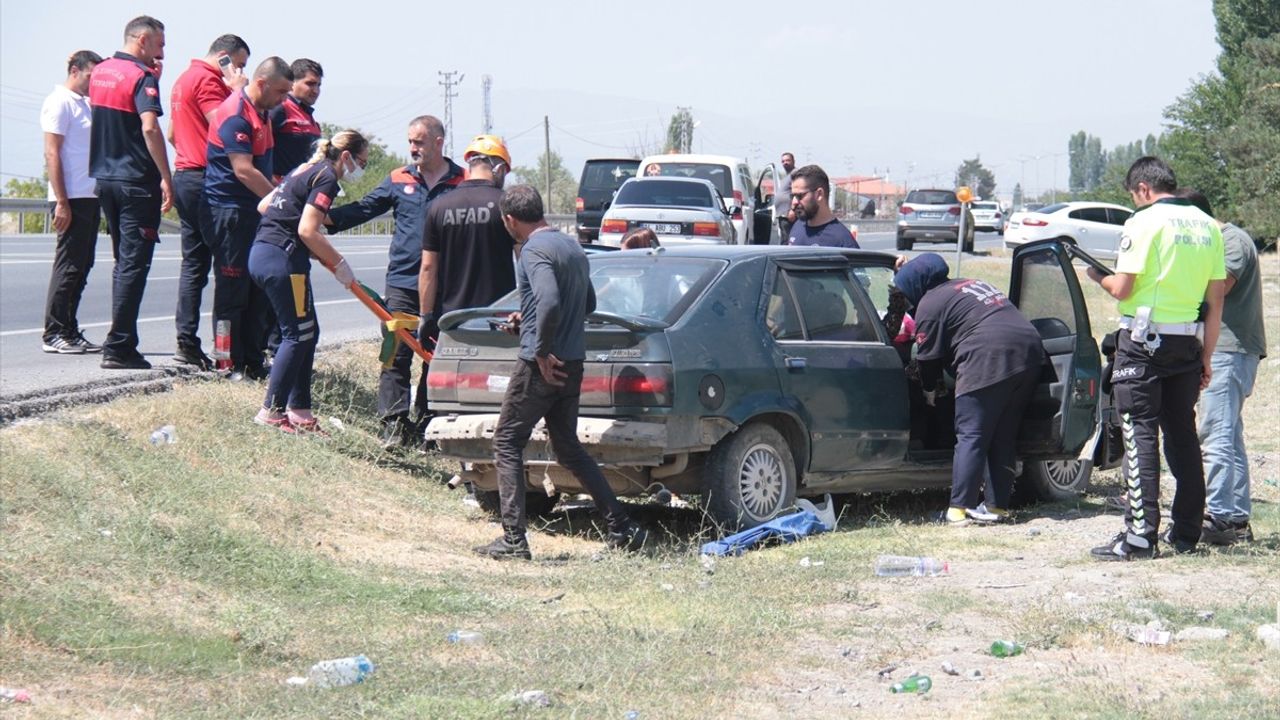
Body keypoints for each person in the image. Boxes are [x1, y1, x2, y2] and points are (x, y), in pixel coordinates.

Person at [475, 184, 647, 560]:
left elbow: (551, 300)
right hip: (572, 362)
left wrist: (539, 349)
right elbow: (586, 302)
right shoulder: (572, 246)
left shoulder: (532, 249)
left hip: (542, 367)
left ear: (510, 220)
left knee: (506, 441)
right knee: (568, 446)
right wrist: (529, 319)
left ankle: (514, 540)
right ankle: (621, 525)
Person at [1086, 157, 1225, 561]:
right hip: (1188, 343)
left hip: (1143, 342)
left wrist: (1099, 276)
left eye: (1134, 196)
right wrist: (1207, 358)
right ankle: (1185, 531)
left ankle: (1140, 536)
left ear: (1144, 189)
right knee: (1182, 435)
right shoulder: (1206, 226)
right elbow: (1215, 304)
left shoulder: (1143, 222)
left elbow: (1123, 289)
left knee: (1139, 433)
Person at [327, 115, 465, 445]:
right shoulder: (398, 178)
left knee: (439, 356)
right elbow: (364, 209)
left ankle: (430, 424)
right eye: (410, 142)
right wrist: (324, 219)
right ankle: (393, 424)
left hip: (448, 287)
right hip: (403, 283)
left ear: (438, 142)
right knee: (396, 354)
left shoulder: (463, 181)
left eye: (419, 141)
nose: (413, 148)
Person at [894, 253, 1046, 524]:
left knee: (971, 434)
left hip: (987, 357)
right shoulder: (970, 284)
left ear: (917, 285)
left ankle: (957, 510)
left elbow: (927, 361)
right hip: (1030, 352)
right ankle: (997, 507)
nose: (906, 298)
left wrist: (930, 392)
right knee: (1003, 433)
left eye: (906, 292)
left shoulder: (929, 303)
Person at [248, 130, 367, 432]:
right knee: (297, 334)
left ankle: (299, 411)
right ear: (345, 157)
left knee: (307, 332)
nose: (360, 170)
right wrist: (339, 263)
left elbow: (265, 206)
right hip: (284, 263)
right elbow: (307, 230)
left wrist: (309, 247)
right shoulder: (327, 176)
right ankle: (271, 412)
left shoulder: (303, 169)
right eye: (361, 162)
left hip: (264, 254)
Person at [1176, 189, 1266, 546]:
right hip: (1225, 349)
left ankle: (1219, 516)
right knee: (1228, 434)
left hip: (1230, 350)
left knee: (1216, 434)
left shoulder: (1232, 242)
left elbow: (1218, 289)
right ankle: (1236, 519)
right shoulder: (1217, 241)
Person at [88, 15, 172, 370]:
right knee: (134, 266)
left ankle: (122, 339)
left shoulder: (101, 71)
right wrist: (166, 177)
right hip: (136, 180)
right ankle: (119, 345)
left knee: (123, 263)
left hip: (105, 178)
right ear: (142, 41)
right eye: (159, 44)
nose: (163, 51)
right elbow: (150, 128)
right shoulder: (142, 77)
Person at [204, 57, 293, 381]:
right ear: (262, 84)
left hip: (255, 210)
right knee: (232, 291)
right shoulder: (236, 115)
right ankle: (226, 363)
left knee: (259, 288)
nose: (285, 99)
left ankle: (253, 361)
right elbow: (243, 170)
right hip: (231, 212)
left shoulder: (263, 113)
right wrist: (279, 202)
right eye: (281, 91)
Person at [169, 34, 250, 369]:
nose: (241, 70)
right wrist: (237, 89)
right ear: (223, 58)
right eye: (239, 63)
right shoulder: (207, 80)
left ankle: (186, 341)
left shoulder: (183, 77)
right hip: (206, 178)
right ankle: (225, 353)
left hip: (185, 173)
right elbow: (223, 122)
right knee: (227, 267)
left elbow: (173, 133)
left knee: (194, 264)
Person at [40, 49, 103, 355]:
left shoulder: (87, 104)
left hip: (89, 195)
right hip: (71, 196)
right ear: (75, 71)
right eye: (92, 75)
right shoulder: (59, 101)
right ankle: (53, 333)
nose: (95, 82)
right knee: (68, 265)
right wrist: (61, 201)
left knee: (82, 264)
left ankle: (69, 328)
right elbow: (52, 152)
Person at [269, 58, 323, 180]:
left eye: (319, 85)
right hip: (277, 188)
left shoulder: (308, 114)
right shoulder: (280, 108)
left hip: (300, 190)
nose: (316, 91)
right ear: (292, 82)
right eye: (310, 84)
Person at [787, 164, 858, 248]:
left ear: (819, 194)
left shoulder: (843, 242)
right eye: (792, 196)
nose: (794, 202)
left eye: (800, 196)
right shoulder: (797, 227)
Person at [775, 152, 796, 237]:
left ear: (793, 161)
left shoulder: (795, 173)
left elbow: (797, 193)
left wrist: (793, 210)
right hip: (783, 214)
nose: (785, 163)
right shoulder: (787, 176)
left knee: (787, 240)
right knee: (784, 237)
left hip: (789, 214)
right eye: (783, 161)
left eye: (788, 160)